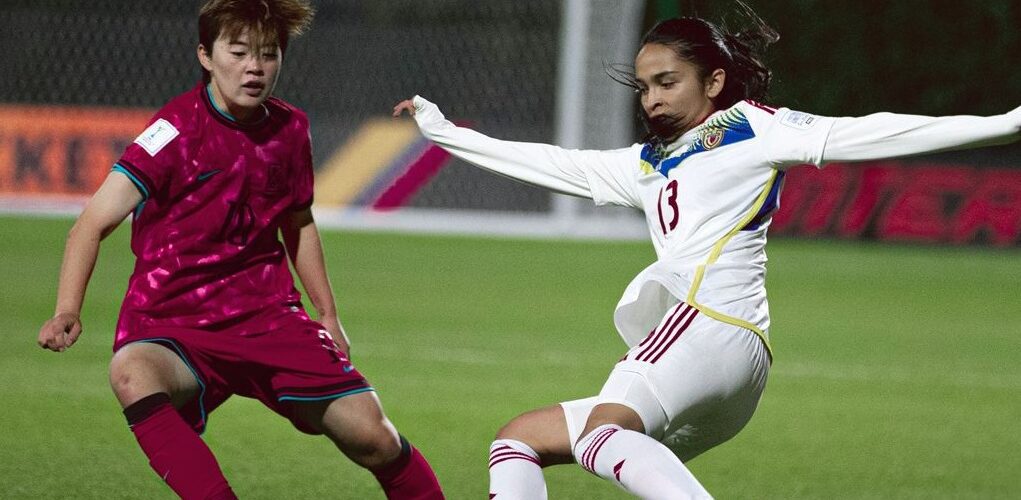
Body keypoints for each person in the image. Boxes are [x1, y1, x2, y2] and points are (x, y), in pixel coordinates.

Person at [393, 5, 1021, 498]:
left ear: (714, 80)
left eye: (667, 82)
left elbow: (873, 129)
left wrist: (1008, 122)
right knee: (519, 440)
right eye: (643, 87)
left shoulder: (754, 127)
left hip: (706, 325)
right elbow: (557, 164)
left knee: (602, 434)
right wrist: (444, 131)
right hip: (736, 360)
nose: (652, 99)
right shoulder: (647, 164)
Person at [36, 1, 445, 498]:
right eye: (239, 52)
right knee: (131, 372)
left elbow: (299, 222)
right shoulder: (173, 131)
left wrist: (329, 314)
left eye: (269, 55)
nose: (255, 68)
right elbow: (91, 223)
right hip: (173, 317)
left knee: (373, 435)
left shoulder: (290, 130)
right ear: (206, 56)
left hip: (267, 314)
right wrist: (66, 308)